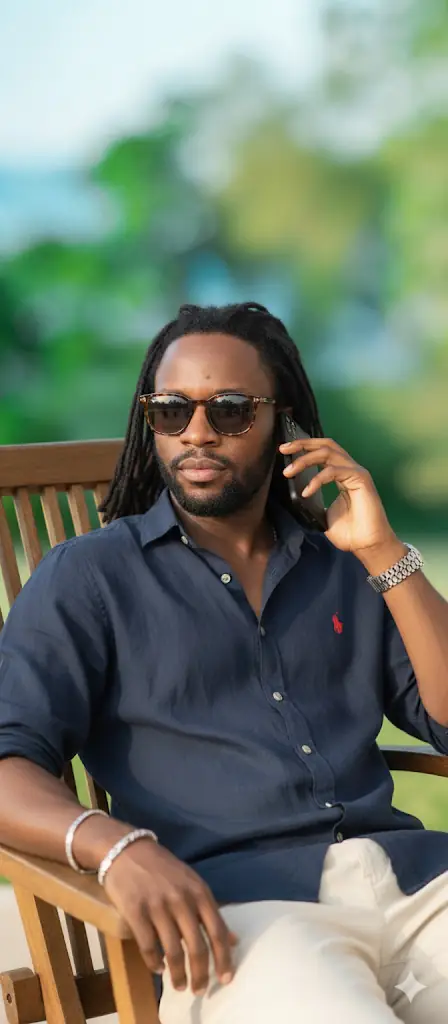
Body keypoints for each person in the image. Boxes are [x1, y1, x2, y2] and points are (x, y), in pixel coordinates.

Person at [1, 301, 448, 1024]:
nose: (197, 432)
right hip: (240, 914)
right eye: (171, 410)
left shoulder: (343, 566)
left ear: (284, 425)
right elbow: (6, 761)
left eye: (232, 410)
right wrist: (118, 849)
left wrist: (384, 553)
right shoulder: (89, 578)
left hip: (420, 882)